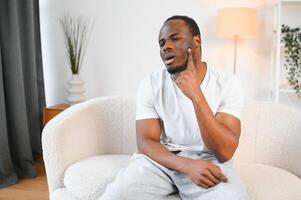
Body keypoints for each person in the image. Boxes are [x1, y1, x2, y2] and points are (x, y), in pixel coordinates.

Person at [99, 15, 249, 200]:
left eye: (175, 38)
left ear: (197, 41)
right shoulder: (151, 83)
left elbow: (224, 151)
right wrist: (186, 165)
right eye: (161, 43)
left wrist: (196, 95)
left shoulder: (227, 84)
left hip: (209, 161)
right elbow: (145, 141)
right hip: (163, 160)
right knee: (116, 195)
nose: (165, 46)